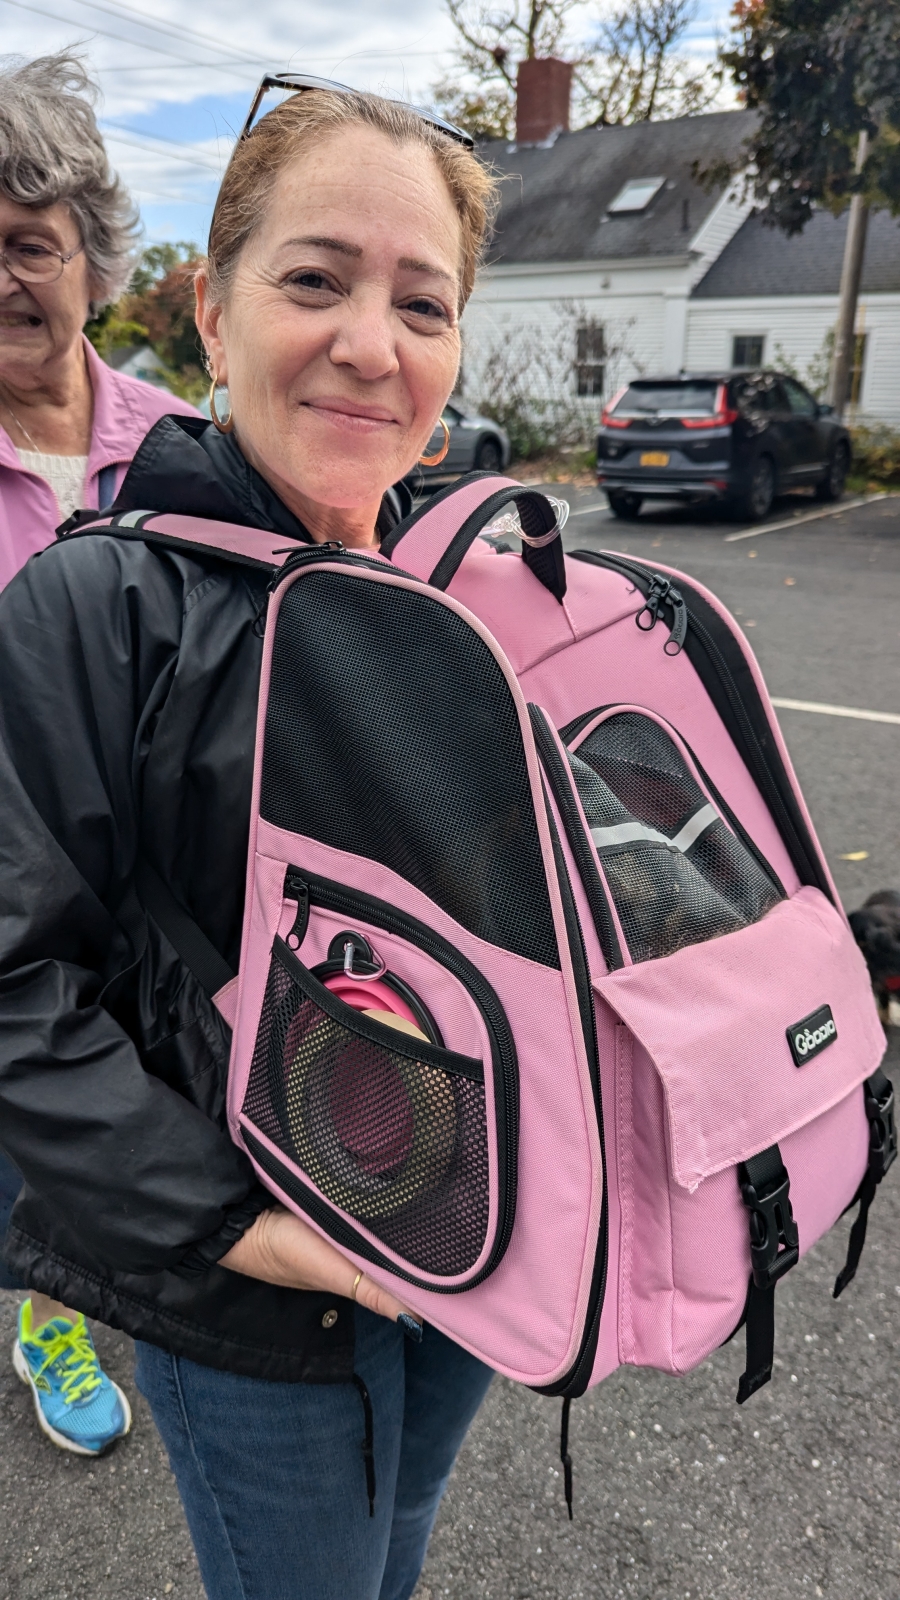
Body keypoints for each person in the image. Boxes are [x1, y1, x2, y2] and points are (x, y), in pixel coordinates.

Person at [0, 76, 499, 1598]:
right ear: (210, 315)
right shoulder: (94, 608)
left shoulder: (475, 588)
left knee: (393, 1552)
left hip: (465, 1243)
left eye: (423, 302)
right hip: (257, 1279)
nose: (371, 342)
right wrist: (231, 1225)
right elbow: (16, 986)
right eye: (314, 280)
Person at [0, 50, 197, 1456]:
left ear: (92, 261)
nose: (3, 279)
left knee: (148, 1114)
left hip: (160, 885)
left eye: (26, 245)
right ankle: (42, 1313)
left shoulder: (184, 444)